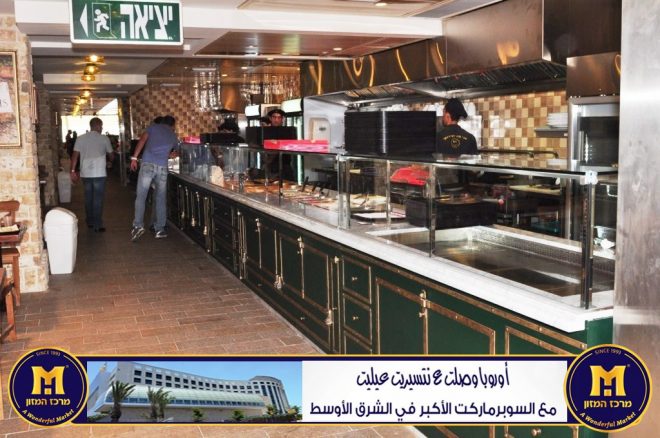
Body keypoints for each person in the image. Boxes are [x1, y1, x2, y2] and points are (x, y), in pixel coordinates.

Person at [129, 115, 178, 241]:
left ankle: (138, 226)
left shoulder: (153, 127)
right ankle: (159, 229)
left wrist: (134, 158)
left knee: (141, 196)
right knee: (161, 198)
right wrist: (168, 155)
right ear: (172, 125)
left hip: (148, 165)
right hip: (162, 168)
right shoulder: (173, 135)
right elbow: (175, 153)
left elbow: (142, 140)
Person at [69, 118, 114, 232]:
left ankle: (89, 221)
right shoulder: (104, 138)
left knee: (88, 198)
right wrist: (110, 161)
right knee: (98, 199)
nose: (102, 128)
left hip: (86, 173)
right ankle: (97, 225)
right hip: (100, 173)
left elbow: (75, 156)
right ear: (97, 126)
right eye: (101, 126)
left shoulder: (80, 138)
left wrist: (72, 171)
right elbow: (111, 155)